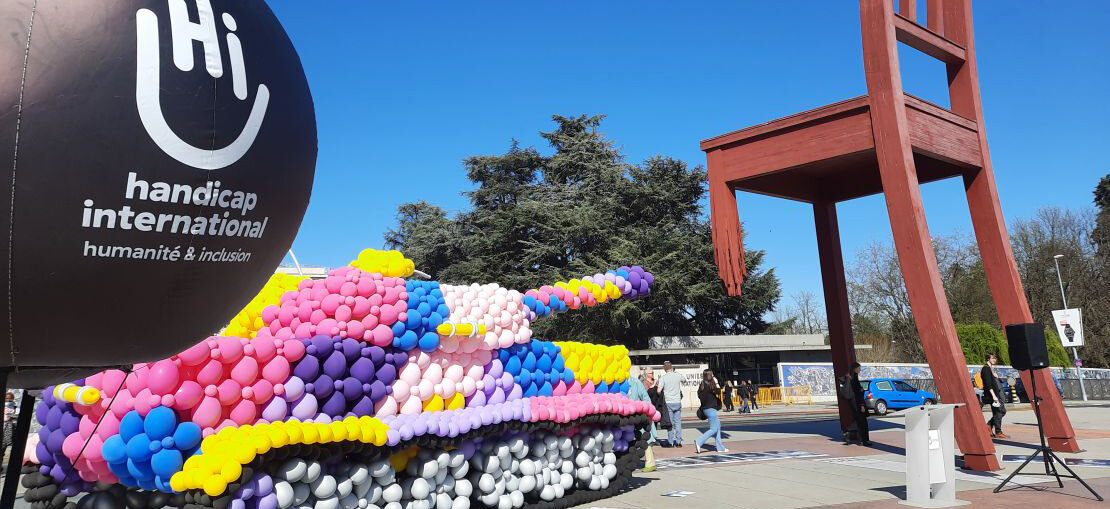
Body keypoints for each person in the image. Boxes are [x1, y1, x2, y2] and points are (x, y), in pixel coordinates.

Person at [626, 367, 657, 471]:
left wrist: (647, 411)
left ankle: (650, 463)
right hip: (623, 416)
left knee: (644, 437)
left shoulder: (635, 382)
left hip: (636, 415)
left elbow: (645, 397)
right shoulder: (616, 383)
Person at [837, 362, 871, 446]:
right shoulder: (854, 378)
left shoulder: (848, 377)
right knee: (862, 422)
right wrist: (862, 405)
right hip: (857, 403)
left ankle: (850, 434)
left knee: (858, 420)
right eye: (859, 368)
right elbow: (857, 394)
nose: (860, 370)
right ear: (855, 368)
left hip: (853, 402)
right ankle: (863, 440)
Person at [694, 369, 728, 454]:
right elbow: (718, 391)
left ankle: (720, 447)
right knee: (714, 429)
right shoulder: (709, 385)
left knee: (718, 427)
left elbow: (699, 395)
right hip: (711, 409)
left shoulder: (702, 385)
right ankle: (699, 441)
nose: (713, 375)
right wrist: (716, 382)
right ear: (709, 375)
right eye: (712, 374)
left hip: (706, 409)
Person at [980, 352, 1009, 439]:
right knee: (998, 412)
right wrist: (994, 396)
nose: (994, 360)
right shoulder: (986, 369)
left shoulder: (992, 368)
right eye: (992, 358)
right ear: (988, 359)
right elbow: (988, 384)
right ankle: (998, 431)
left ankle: (989, 425)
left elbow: (995, 382)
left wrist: (996, 376)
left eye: (995, 358)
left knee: (1001, 411)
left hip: (998, 394)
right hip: (993, 395)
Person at [657, 361, 684, 447]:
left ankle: (671, 441)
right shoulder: (678, 375)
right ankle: (679, 441)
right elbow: (684, 380)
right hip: (677, 402)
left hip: (668, 402)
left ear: (664, 369)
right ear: (672, 367)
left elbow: (658, 391)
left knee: (670, 422)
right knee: (678, 422)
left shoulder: (663, 378)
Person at [644, 367, 672, 444]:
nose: (652, 374)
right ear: (646, 374)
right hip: (649, 405)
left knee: (656, 422)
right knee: (650, 423)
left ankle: (655, 438)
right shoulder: (645, 382)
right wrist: (653, 385)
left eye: (653, 373)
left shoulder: (655, 381)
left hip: (657, 404)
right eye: (651, 373)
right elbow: (646, 393)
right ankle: (651, 439)